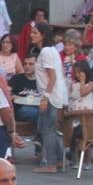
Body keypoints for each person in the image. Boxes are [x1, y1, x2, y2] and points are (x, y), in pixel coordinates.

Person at [29, 23, 66, 173]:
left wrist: (45, 97)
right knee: (50, 129)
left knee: (47, 130)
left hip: (51, 95)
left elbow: (52, 76)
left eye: (35, 32)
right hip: (53, 94)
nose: (32, 35)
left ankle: (50, 163)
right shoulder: (50, 51)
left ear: (43, 35)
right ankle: (58, 159)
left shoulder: (46, 52)